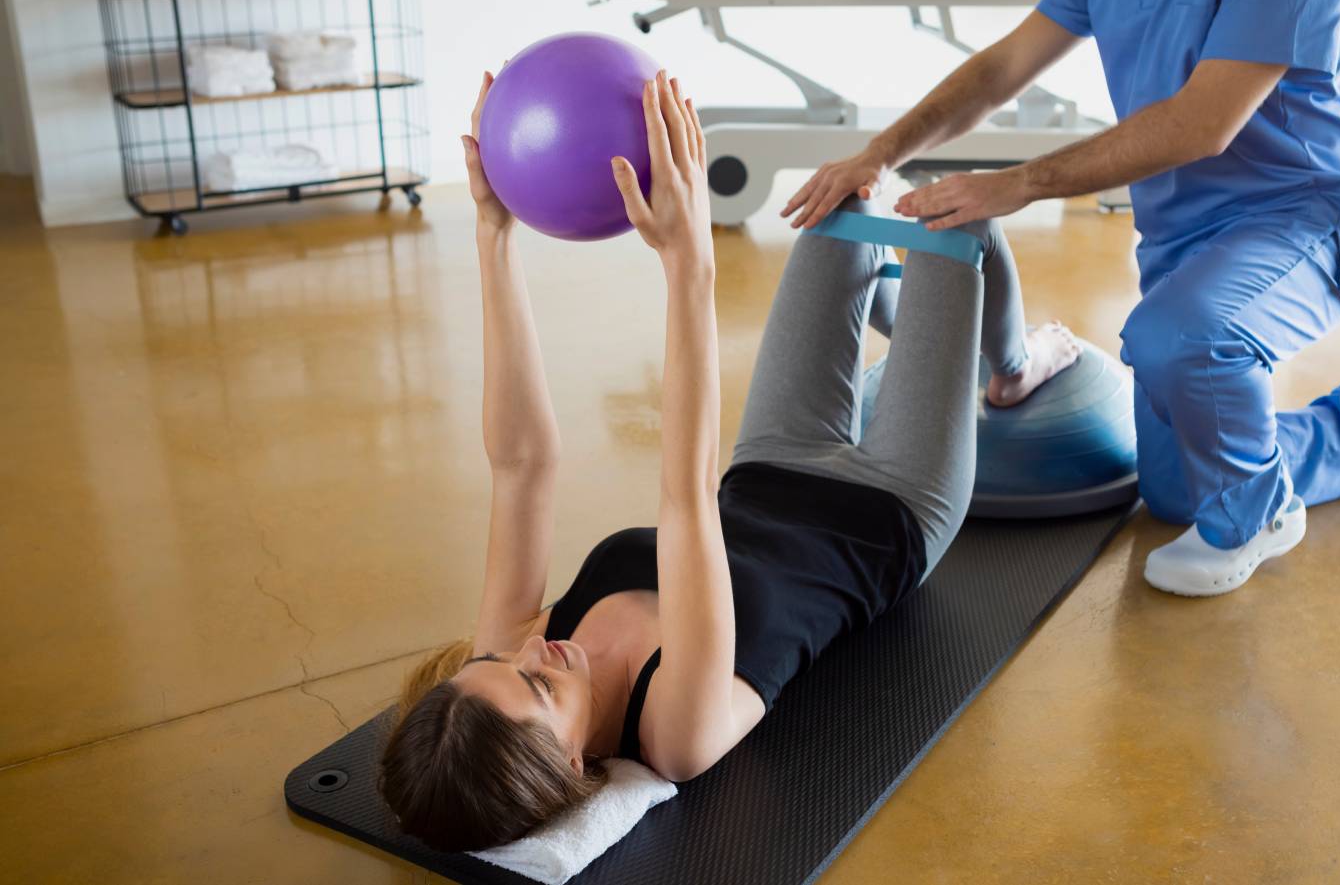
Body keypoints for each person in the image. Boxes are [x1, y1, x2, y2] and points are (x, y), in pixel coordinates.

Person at [376, 69, 1079, 851]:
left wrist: (492, 231)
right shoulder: (678, 730)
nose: (530, 647)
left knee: (838, 211)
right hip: (894, 511)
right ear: (571, 761)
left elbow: (521, 462)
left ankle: (907, 313)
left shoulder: (510, 660)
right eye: (539, 682)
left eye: (503, 660)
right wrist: (687, 260)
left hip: (775, 459)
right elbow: (684, 496)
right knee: (961, 222)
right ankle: (1013, 368)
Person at [784, 0, 1340, 598]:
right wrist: (882, 151)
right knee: (1176, 490)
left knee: (1182, 337)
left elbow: (1205, 121)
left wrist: (1019, 182)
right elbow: (1001, 69)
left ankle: (1258, 516)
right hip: (1182, 244)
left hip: (1303, 217)